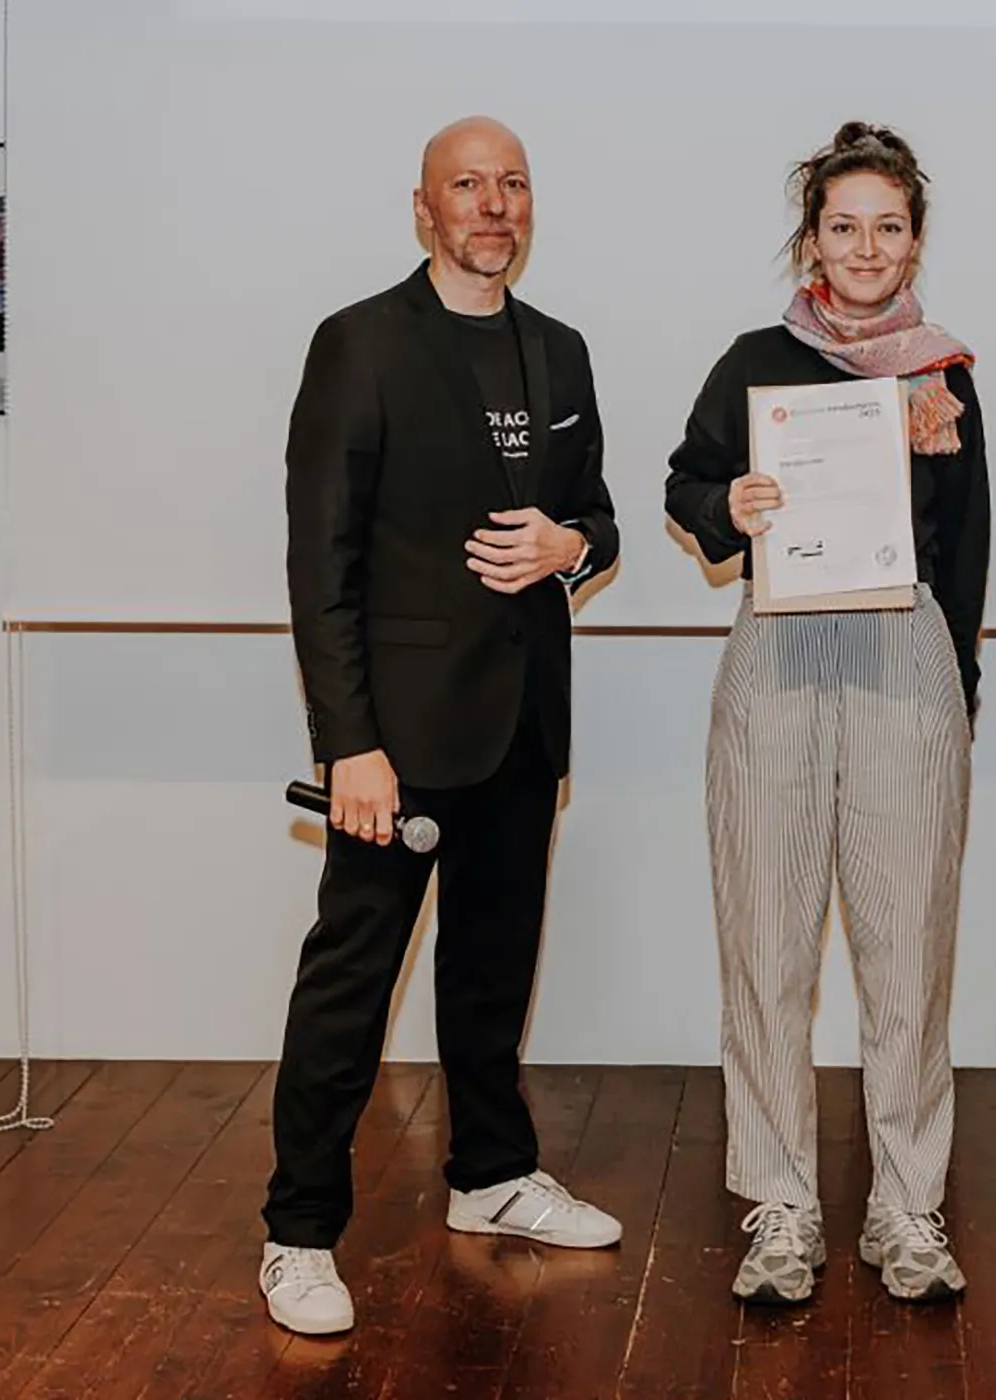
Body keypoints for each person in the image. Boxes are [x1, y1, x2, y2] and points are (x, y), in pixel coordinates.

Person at [258, 114, 624, 1337]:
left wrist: (572, 548)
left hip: (523, 726)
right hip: (396, 743)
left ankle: (492, 1175)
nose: (492, 205)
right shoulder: (358, 344)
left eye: (512, 185)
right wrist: (345, 738)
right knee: (350, 983)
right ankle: (299, 1229)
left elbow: (599, 520)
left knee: (489, 971)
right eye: (467, 185)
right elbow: (323, 561)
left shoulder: (561, 352)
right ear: (423, 209)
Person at [663, 121, 991, 1307]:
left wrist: (958, 688)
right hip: (778, 645)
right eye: (842, 225)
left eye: (887, 227)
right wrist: (730, 499)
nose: (865, 247)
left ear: (913, 243)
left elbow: (965, 547)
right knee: (765, 939)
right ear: (812, 237)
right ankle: (782, 1205)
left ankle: (906, 1207)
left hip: (908, 650)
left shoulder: (942, 371)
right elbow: (685, 486)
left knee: (908, 943)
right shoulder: (756, 358)